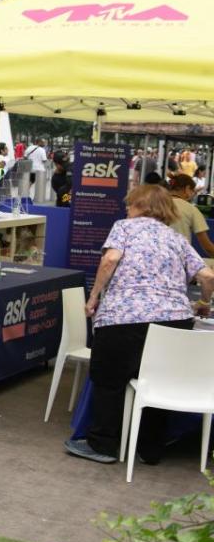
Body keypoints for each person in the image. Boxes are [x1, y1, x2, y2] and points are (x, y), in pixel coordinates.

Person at [65, 185, 214, 465]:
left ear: (142, 206)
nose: (126, 209)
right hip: (174, 321)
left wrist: (94, 296)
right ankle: (150, 448)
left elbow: (110, 260)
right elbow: (207, 276)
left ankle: (103, 446)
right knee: (158, 379)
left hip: (124, 317)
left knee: (109, 379)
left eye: (130, 204)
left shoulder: (124, 228)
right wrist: (204, 303)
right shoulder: (177, 239)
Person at [167, 174, 214, 257]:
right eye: (193, 191)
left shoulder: (154, 204)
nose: (193, 194)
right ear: (187, 188)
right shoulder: (190, 209)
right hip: (178, 259)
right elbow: (207, 247)